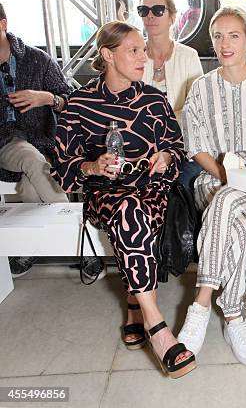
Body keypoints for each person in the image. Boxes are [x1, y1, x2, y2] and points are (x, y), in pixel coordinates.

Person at [52, 21, 196, 379]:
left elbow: (177, 150)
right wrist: (92, 164)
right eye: (133, 50)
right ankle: (156, 326)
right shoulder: (80, 104)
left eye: (143, 50)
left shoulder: (153, 99)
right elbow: (64, 167)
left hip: (153, 189)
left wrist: (164, 158)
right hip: (105, 194)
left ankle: (135, 303)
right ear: (107, 55)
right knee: (129, 212)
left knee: (134, 212)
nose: (143, 57)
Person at [177, 7, 246, 367]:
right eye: (218, 36)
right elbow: (195, 147)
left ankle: (201, 303)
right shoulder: (200, 88)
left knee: (227, 205)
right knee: (230, 214)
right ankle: (233, 313)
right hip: (213, 179)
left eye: (234, 36)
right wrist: (227, 175)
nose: (225, 44)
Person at [0, 2, 72, 277]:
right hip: (6, 145)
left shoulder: (37, 59)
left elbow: (72, 102)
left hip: (45, 143)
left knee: (32, 187)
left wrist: (46, 98)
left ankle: (29, 248)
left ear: (2, 24)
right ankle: (81, 246)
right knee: (31, 159)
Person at [138, 0, 204, 191]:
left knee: (179, 186)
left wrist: (159, 123)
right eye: (143, 10)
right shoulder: (133, 56)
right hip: (140, 144)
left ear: (172, 17)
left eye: (158, 10)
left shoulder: (189, 56)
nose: (150, 15)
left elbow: (197, 108)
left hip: (182, 143)